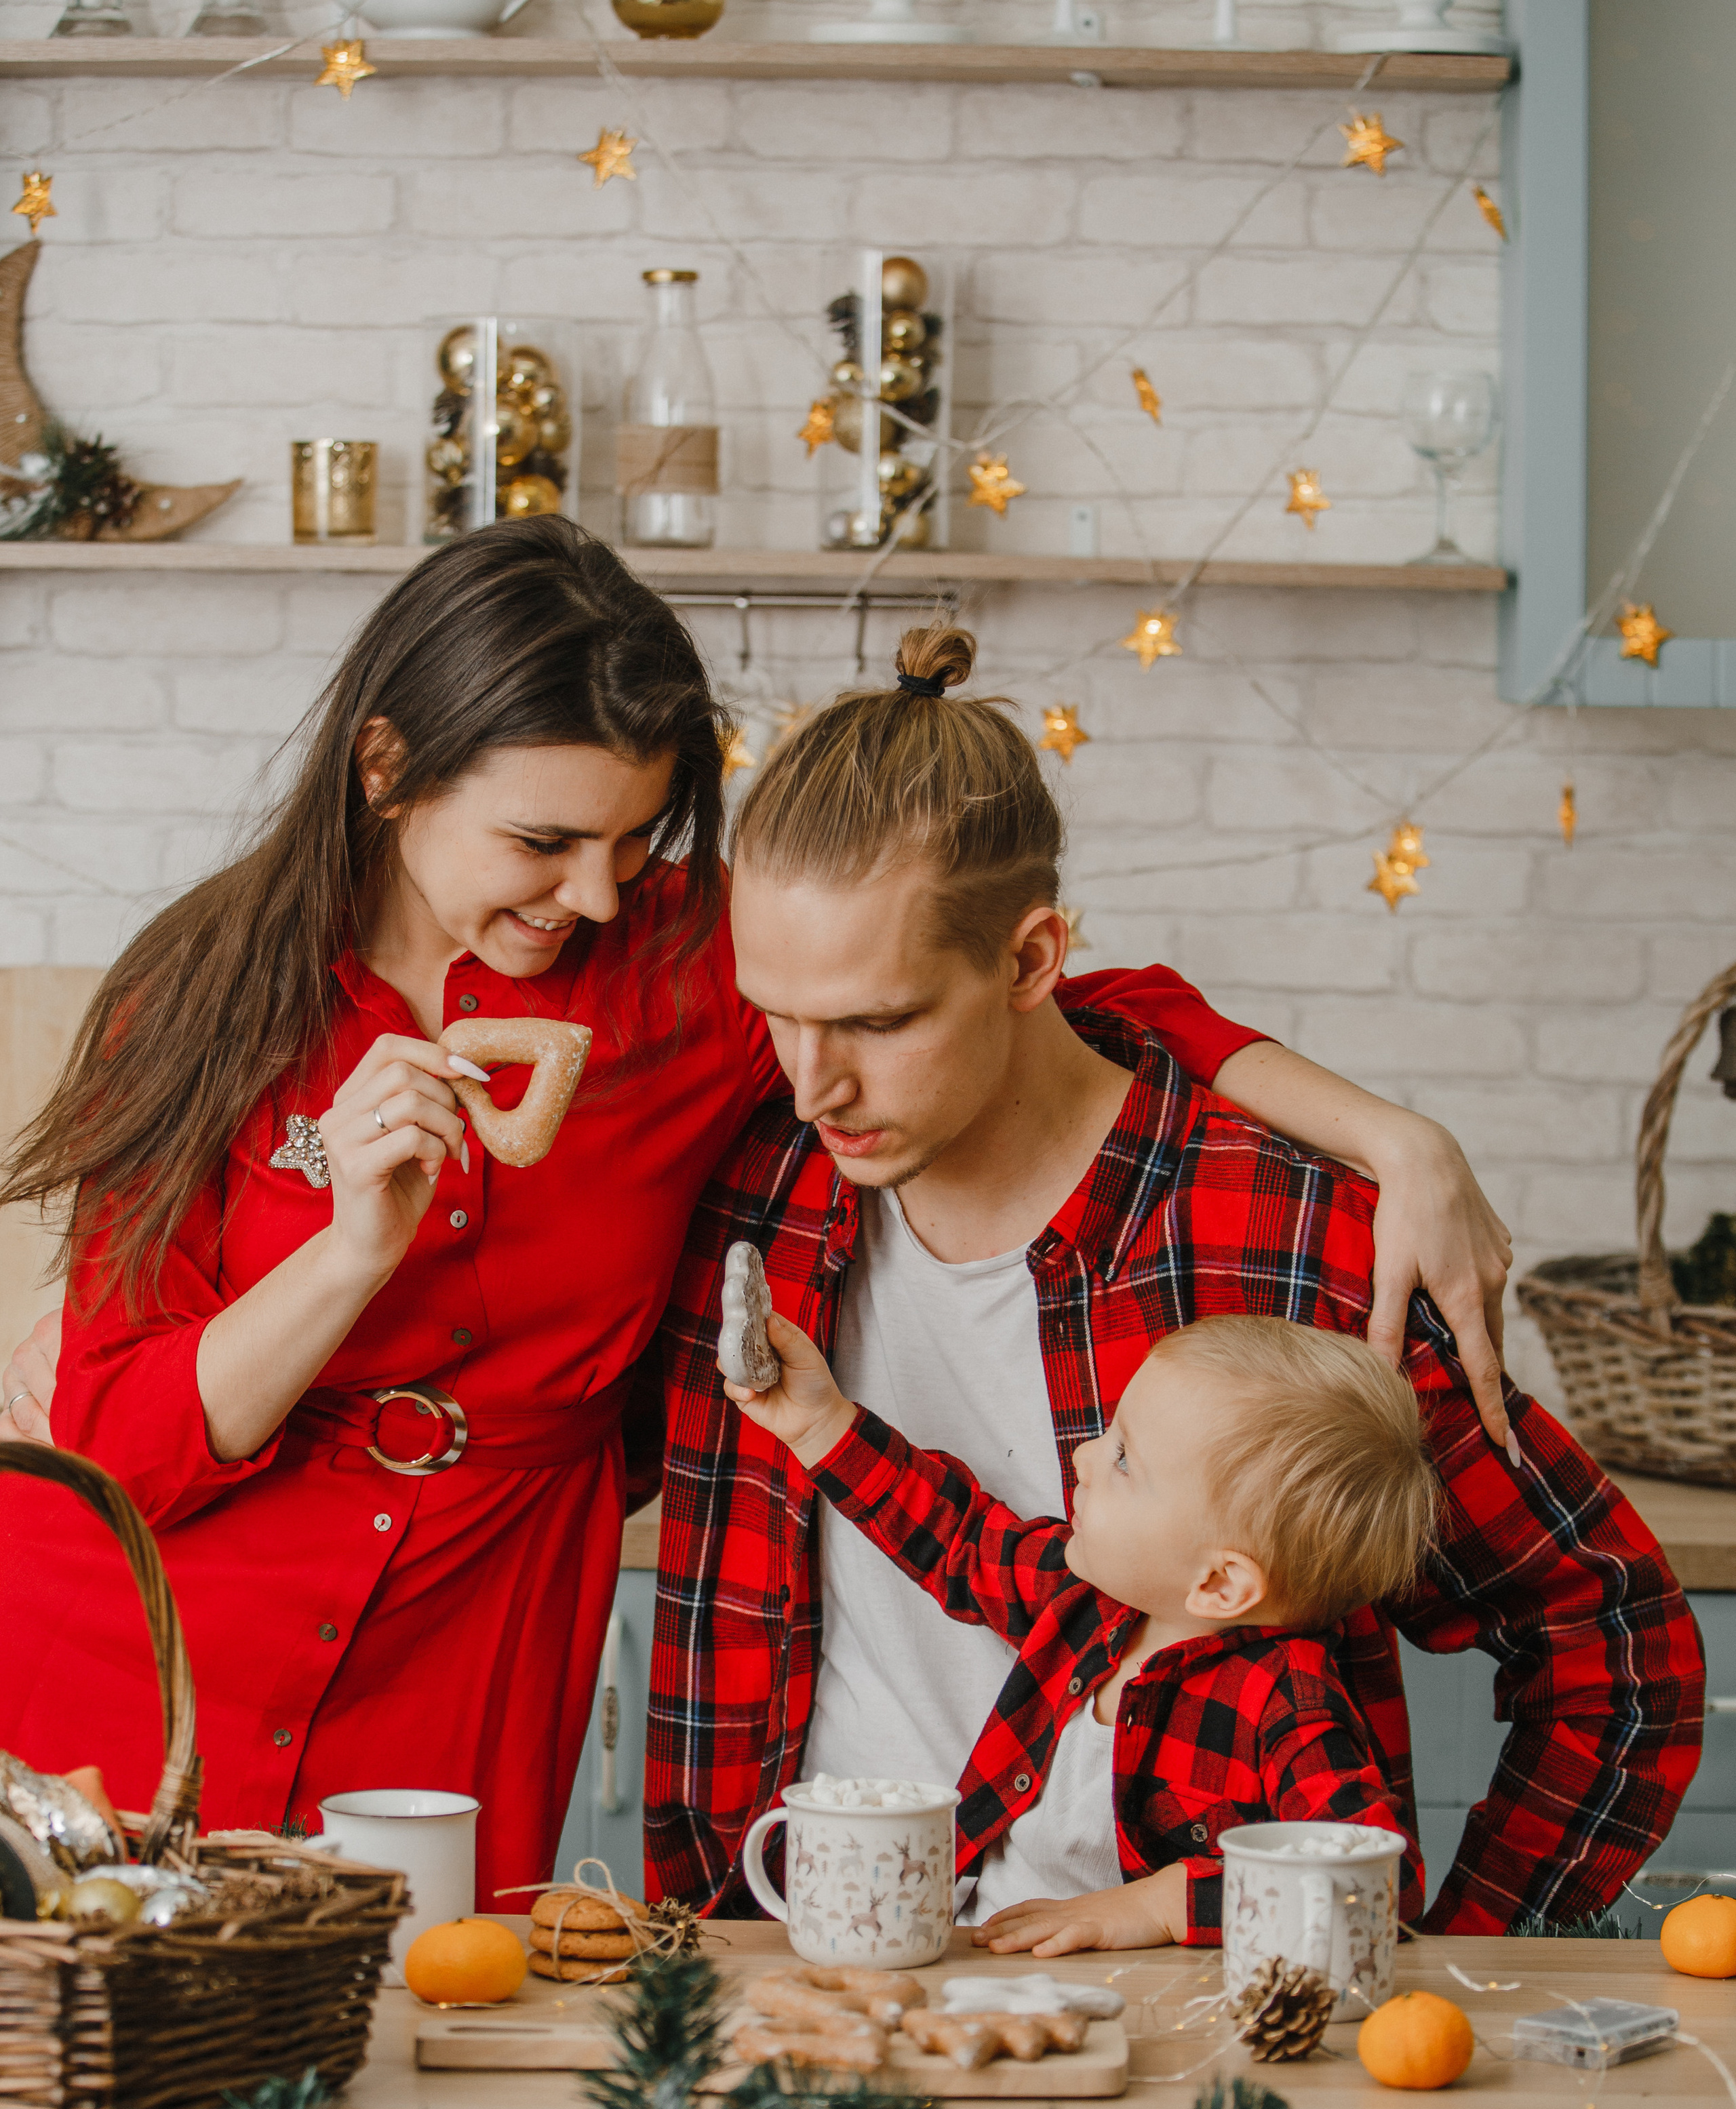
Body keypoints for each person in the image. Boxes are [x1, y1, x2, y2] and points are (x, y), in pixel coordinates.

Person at [0, 525, 1467, 1899]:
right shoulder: (199, 994)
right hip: (140, 1627)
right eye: (542, 840)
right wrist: (346, 1258)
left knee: (407, 2031)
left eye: (634, 839)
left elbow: (1032, 1001)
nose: (593, 894)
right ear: (387, 767)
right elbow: (118, 1441)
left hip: (474, 1627)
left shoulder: (688, 967)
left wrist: (1392, 1137)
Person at [647, 623, 1705, 1935]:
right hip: (787, 1960)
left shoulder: (1290, 1242)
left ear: (1030, 961)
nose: (814, 1086)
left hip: (1184, 2017)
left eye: (879, 1021)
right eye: (778, 1013)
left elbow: (1614, 1644)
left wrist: (1446, 1963)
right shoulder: (757, 1187)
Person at [724, 1309, 1434, 1949]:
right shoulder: (1088, 1603)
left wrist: (1163, 1905)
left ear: (1220, 1583)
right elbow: (957, 1535)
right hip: (981, 1963)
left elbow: (1377, 1882)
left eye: (1123, 1459)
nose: (1084, 1457)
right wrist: (821, 1427)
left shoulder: (1285, 1698)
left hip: (1151, 2016)